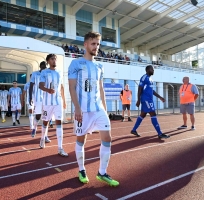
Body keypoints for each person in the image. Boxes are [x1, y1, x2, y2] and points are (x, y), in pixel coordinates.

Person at [68, 31, 119, 186]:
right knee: (81, 140)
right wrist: (76, 108)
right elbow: (72, 87)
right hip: (82, 110)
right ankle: (82, 169)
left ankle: (102, 172)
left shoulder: (99, 65)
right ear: (85, 44)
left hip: (98, 109)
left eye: (98, 44)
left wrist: (105, 108)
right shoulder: (75, 64)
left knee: (107, 138)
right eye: (93, 43)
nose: (96, 47)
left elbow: (101, 88)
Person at [39, 54, 68, 157]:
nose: (54, 61)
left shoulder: (59, 72)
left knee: (59, 122)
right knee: (45, 122)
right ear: (48, 61)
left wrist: (64, 100)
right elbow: (40, 85)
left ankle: (60, 148)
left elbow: (61, 87)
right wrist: (48, 90)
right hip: (47, 102)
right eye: (52, 59)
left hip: (58, 102)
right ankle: (42, 138)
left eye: (55, 59)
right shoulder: (44, 72)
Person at [130, 65, 170, 139]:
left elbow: (152, 91)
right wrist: (138, 100)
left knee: (143, 115)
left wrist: (160, 97)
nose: (153, 71)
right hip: (146, 100)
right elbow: (139, 89)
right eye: (152, 69)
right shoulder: (144, 77)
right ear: (148, 70)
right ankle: (160, 133)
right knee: (153, 113)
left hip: (149, 100)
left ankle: (134, 130)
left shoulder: (151, 79)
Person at [29, 61, 48, 139]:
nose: (44, 69)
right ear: (40, 67)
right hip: (37, 99)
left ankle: (45, 136)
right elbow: (31, 86)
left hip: (47, 98)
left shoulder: (48, 74)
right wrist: (30, 97)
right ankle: (34, 128)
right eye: (43, 67)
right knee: (38, 116)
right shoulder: (35, 74)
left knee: (46, 118)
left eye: (45, 67)